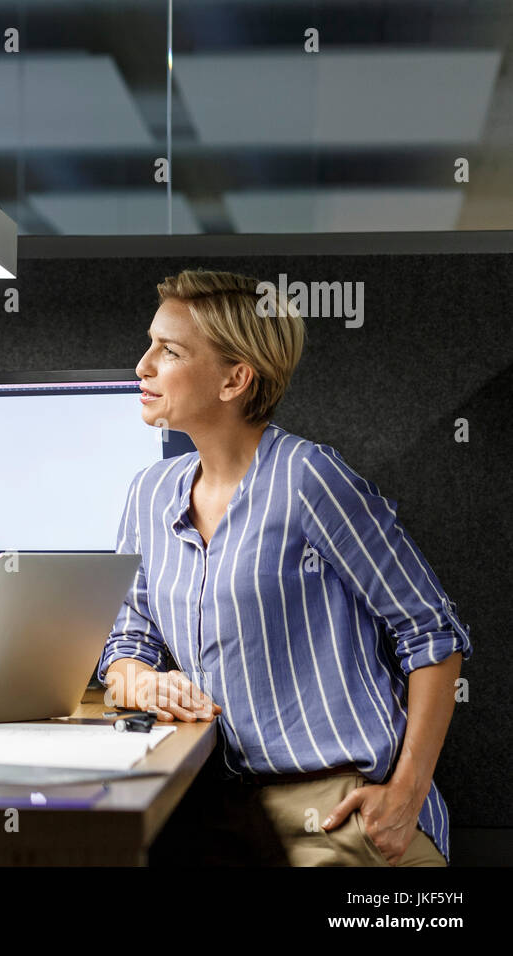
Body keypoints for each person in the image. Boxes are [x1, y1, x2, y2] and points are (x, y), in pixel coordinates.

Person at [99, 268, 471, 866]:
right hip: (222, 811)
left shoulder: (307, 478)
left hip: (341, 811)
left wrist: (406, 795)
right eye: (150, 344)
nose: (142, 366)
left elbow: (432, 633)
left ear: (235, 379)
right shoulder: (148, 493)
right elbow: (125, 641)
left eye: (168, 351)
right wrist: (140, 678)